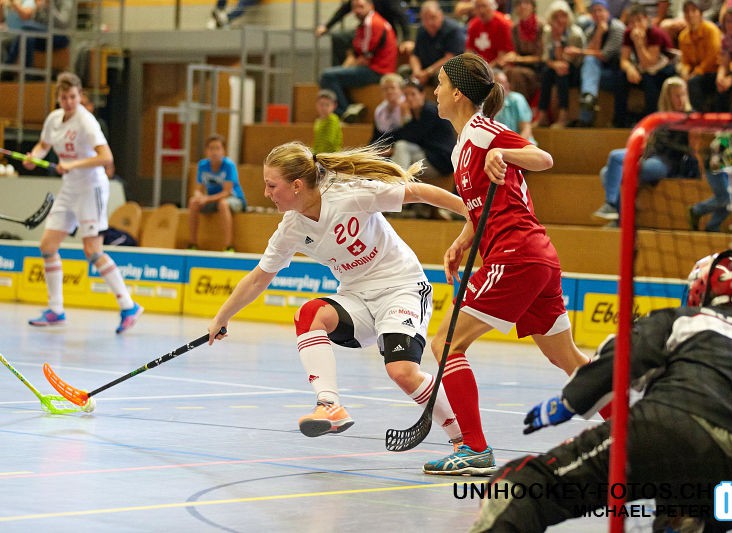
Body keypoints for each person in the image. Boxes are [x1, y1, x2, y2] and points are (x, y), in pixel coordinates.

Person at [470, 249, 732, 533]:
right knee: (683, 510)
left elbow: (622, 357)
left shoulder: (687, 320)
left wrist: (567, 401)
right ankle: (690, 518)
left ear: (698, 290)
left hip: (673, 428)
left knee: (521, 486)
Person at [206, 141, 469, 447]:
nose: (266, 193)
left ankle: (464, 439)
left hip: (402, 288)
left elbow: (419, 192)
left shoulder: (349, 194)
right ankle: (330, 405)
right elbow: (257, 279)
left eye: (271, 185)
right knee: (309, 315)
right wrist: (222, 317)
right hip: (356, 298)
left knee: (402, 372)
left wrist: (471, 213)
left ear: (296, 185)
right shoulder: (291, 228)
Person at [423, 52, 590, 475]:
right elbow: (483, 206)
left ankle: (474, 449)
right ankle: (631, 433)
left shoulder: (483, 131)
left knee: (445, 344)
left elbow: (543, 158)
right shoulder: (462, 147)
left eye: (440, 84)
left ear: (458, 93)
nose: (435, 91)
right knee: (567, 358)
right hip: (535, 257)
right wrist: (463, 240)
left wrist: (504, 155)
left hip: (516, 256)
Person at [24, 72, 143, 333]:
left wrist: (74, 164)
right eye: (64, 97)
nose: (69, 102)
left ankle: (129, 306)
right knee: (47, 245)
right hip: (70, 188)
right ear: (58, 97)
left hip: (91, 188)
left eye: (73, 97)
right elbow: (43, 145)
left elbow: (106, 157)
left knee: (92, 251)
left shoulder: (86, 121)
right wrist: (33, 157)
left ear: (80, 96)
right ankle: (56, 310)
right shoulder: (54, 119)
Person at [592, 76, 698, 223]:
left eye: (683, 95)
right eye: (677, 96)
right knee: (608, 168)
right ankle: (615, 210)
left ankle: (614, 212)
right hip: (649, 156)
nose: (681, 99)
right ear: (668, 97)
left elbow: (693, 148)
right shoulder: (659, 116)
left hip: (667, 162)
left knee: (619, 168)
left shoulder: (690, 117)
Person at [318, 0, 398, 120]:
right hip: (375, 67)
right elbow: (357, 51)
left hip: (378, 70)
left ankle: (344, 112)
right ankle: (351, 108)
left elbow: (364, 55)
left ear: (371, 6)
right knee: (334, 75)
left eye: (361, 7)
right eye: (354, 7)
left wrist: (352, 62)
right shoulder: (366, 24)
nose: (357, 11)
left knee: (327, 76)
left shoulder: (372, 23)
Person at [569, 0, 627, 127]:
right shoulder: (591, 30)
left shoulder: (617, 27)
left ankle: (585, 116)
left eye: (600, 10)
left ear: (608, 12)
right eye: (594, 11)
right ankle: (588, 100)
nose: (597, 14)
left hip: (617, 74)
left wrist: (579, 52)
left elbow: (604, 56)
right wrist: (599, 33)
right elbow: (589, 54)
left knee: (589, 69)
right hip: (597, 73)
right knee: (588, 64)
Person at [187, 134, 247, 253]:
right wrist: (198, 195)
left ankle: (228, 246)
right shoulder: (202, 165)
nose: (214, 152)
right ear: (206, 151)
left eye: (218, 148)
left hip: (234, 199)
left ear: (223, 151)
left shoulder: (229, 165)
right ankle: (192, 244)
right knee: (193, 202)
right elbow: (198, 188)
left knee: (223, 204)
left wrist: (206, 199)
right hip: (212, 200)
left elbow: (227, 192)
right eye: (211, 148)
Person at [618, 3, 676, 123]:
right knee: (621, 77)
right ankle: (620, 120)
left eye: (639, 20)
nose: (636, 25)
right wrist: (629, 69)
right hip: (646, 68)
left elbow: (650, 63)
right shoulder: (628, 34)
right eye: (632, 22)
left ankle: (651, 120)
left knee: (649, 79)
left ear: (647, 19)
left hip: (665, 69)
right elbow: (624, 60)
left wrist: (639, 44)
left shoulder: (655, 33)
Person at [533, 1, 586, 129]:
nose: (560, 20)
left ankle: (563, 114)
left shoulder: (575, 33)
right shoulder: (548, 32)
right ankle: (542, 114)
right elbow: (545, 57)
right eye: (556, 17)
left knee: (561, 73)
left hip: (575, 68)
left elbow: (569, 61)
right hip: (555, 66)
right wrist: (555, 64)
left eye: (563, 16)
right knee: (547, 72)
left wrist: (557, 41)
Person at [314, 0, 411, 68]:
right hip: (367, 32)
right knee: (339, 38)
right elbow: (344, 10)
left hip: (383, 34)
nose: (357, 11)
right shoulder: (365, 20)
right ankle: (340, 70)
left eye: (361, 7)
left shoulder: (387, 4)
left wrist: (407, 38)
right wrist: (327, 26)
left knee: (358, 48)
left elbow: (401, 16)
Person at [688, 128, 732, 232]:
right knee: (726, 199)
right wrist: (715, 157)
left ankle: (712, 226)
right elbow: (716, 144)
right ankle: (696, 210)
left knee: (730, 203)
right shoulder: (730, 133)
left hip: (725, 170)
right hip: (715, 169)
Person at [406, 1, 465, 88]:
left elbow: (450, 58)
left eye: (433, 17)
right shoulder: (421, 30)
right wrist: (416, 71)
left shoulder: (453, 30)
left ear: (440, 15)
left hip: (443, 68)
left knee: (441, 76)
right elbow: (415, 55)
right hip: (424, 69)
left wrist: (427, 72)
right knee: (404, 72)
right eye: (425, 19)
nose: (430, 22)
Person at [677, 0, 722, 112]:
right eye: (686, 12)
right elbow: (685, 61)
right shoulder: (683, 36)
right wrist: (685, 71)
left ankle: (698, 114)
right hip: (698, 73)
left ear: (700, 13)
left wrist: (696, 72)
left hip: (715, 70)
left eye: (693, 11)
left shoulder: (711, 30)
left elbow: (712, 57)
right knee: (680, 78)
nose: (690, 15)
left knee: (693, 81)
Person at [499, 0, 544, 103]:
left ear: (533, 7)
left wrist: (518, 59)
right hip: (520, 65)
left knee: (516, 74)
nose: (522, 6)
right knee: (505, 72)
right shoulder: (515, 28)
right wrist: (507, 57)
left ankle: (518, 106)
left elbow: (540, 57)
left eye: (526, 3)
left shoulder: (541, 26)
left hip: (536, 67)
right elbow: (516, 52)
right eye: (519, 4)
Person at [465, 0, 514, 69]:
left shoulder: (503, 24)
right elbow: (469, 51)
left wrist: (486, 69)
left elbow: (503, 56)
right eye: (477, 7)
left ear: (492, 6)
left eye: (484, 6)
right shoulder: (473, 24)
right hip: (479, 66)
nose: (481, 11)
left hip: (498, 66)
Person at [493, 68, 536, 144]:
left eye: (506, 82)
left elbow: (526, 129)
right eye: (501, 83)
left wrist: (514, 147)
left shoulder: (517, 99)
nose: (507, 85)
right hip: (501, 147)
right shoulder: (484, 104)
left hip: (522, 145)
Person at [369, 73, 407, 143]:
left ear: (401, 90)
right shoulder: (380, 110)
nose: (389, 91)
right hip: (387, 143)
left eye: (392, 88)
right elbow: (377, 135)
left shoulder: (408, 105)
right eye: (385, 89)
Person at [312, 89, 343, 155]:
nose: (324, 108)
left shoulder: (332, 119)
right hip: (319, 155)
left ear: (334, 105)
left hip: (331, 156)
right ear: (316, 104)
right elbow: (317, 141)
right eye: (321, 104)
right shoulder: (318, 120)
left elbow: (329, 141)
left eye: (327, 105)